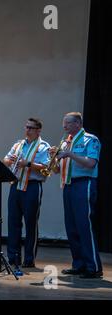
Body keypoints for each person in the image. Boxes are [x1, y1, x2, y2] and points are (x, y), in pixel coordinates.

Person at [49, 112, 102, 279]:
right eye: (64, 123)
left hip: (83, 184)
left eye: (68, 123)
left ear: (78, 123)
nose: (64, 126)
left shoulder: (90, 139)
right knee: (71, 227)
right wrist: (54, 158)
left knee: (84, 226)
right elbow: (56, 170)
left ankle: (93, 267)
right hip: (68, 185)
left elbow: (91, 163)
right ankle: (79, 264)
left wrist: (70, 154)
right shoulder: (65, 142)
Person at [3, 118, 50, 268]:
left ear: (38, 130)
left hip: (32, 186)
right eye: (26, 127)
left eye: (31, 128)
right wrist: (10, 161)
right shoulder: (18, 144)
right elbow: (5, 159)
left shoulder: (44, 146)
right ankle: (13, 257)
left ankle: (29, 259)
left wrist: (28, 163)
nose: (27, 130)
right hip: (15, 185)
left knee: (30, 223)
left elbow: (46, 168)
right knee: (13, 222)